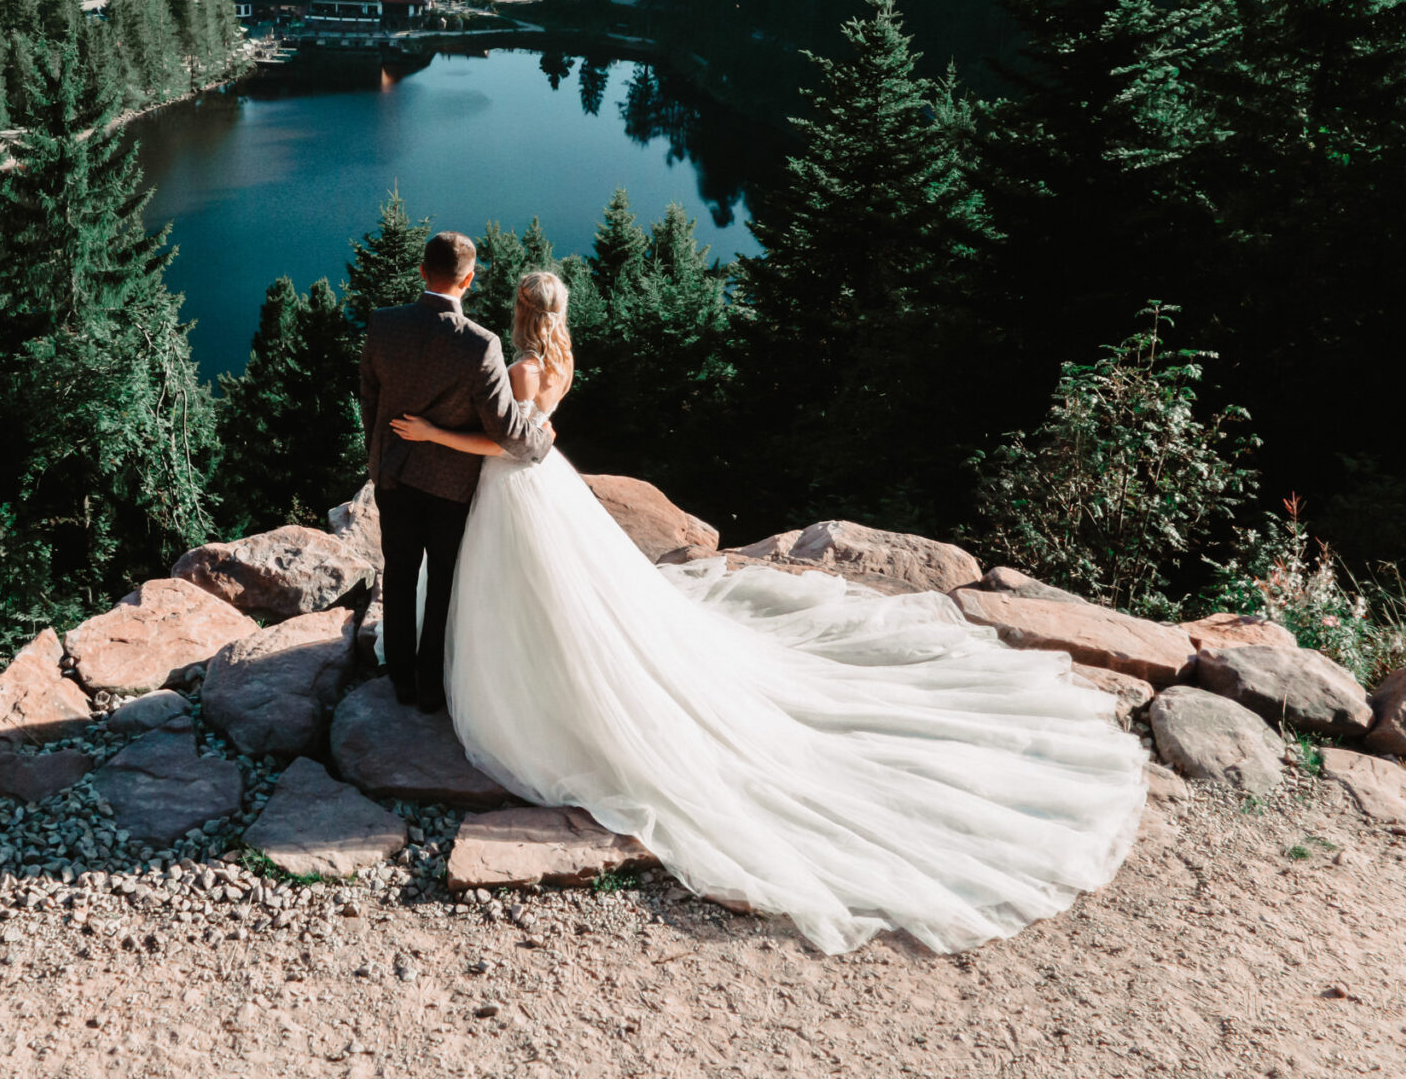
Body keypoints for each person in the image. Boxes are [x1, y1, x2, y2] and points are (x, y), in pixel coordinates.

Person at [389, 269, 1149, 954]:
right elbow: (542, 433)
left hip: (522, 490)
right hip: (549, 487)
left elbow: (514, 446)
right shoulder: (559, 359)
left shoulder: (520, 366)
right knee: (572, 598)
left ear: (519, 314)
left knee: (534, 594)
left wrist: (433, 433)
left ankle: (534, 691)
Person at [357, 231, 554, 714]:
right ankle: (430, 689)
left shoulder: (384, 324)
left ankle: (399, 678)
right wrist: (543, 440)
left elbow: (370, 401)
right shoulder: (480, 345)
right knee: (443, 580)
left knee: (399, 574)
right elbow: (508, 429)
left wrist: (383, 449)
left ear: (422, 272)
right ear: (468, 280)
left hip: (393, 475)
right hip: (449, 485)